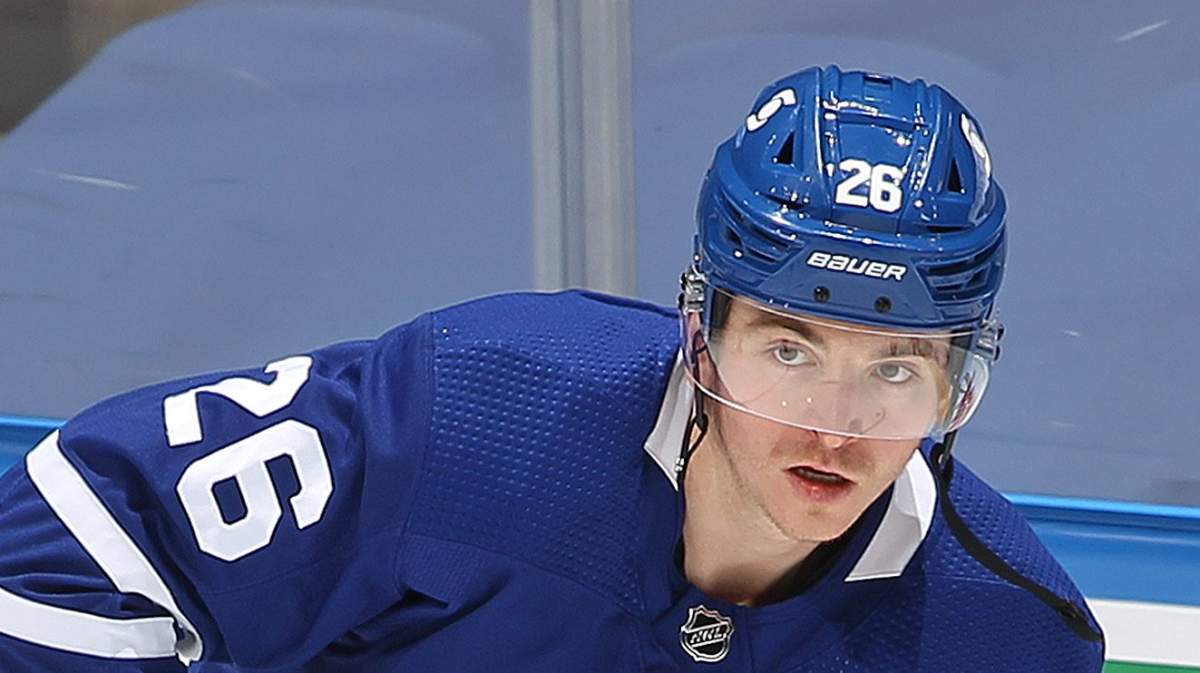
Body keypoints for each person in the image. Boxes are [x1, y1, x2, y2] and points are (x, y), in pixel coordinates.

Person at [0, 65, 1104, 671]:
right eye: (789, 349)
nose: (836, 424)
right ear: (699, 334)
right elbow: (75, 528)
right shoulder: (485, 410)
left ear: (958, 383)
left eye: (898, 369)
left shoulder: (1005, 634)